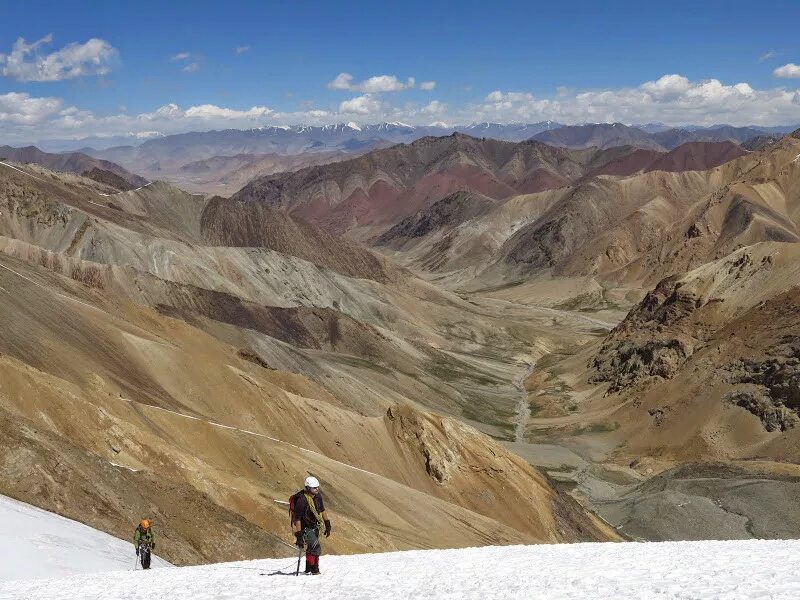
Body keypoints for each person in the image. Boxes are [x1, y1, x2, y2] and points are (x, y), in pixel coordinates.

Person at [291, 476, 332, 575]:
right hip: (306, 527)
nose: (317, 489)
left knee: (311, 547)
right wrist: (299, 535)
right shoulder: (302, 500)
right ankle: (315, 570)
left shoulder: (318, 496)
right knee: (315, 547)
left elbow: (322, 510)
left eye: (317, 487)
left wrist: (327, 524)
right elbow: (298, 519)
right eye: (314, 488)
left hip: (315, 525)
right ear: (308, 488)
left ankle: (308, 568)